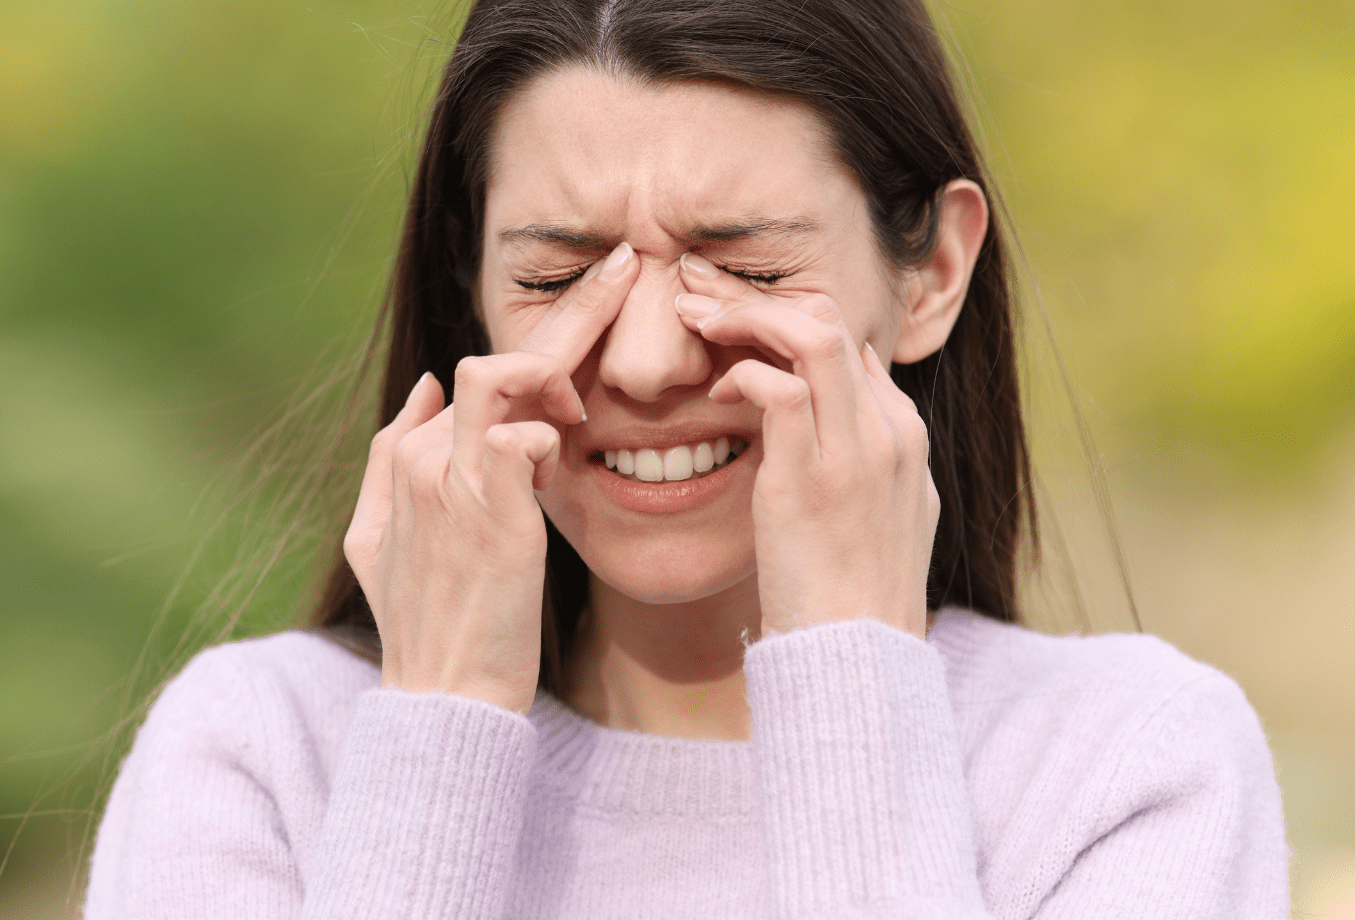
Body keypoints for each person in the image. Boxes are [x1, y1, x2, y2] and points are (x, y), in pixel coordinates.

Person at [80, 0, 1291, 916]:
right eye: (555, 277)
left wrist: (851, 678)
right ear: (470, 286)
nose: (648, 359)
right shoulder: (261, 754)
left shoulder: (1131, 769)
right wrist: (438, 723)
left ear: (931, 273)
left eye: (749, 270)